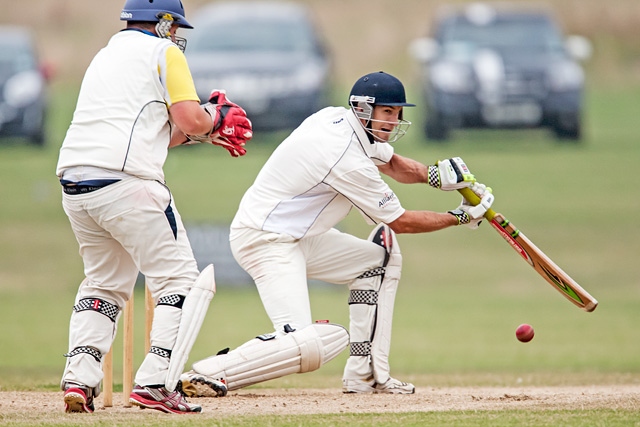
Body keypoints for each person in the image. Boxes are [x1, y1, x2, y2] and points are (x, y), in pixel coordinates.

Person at [179, 71, 494, 396]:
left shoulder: (338, 120)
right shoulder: (344, 156)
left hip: (301, 237)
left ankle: (366, 374)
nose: (393, 120)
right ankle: (209, 373)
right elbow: (400, 222)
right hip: (265, 239)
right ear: (362, 109)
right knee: (303, 342)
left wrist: (434, 175)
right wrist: (457, 217)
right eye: (387, 112)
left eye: (398, 112)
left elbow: (392, 164)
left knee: (379, 261)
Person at [56, 0, 252, 414]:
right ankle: (156, 382)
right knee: (178, 278)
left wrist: (202, 131)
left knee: (103, 283)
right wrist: (215, 117)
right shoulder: (165, 52)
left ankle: (79, 377)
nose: (178, 36)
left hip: (77, 183)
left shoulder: (105, 55)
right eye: (175, 27)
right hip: (127, 185)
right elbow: (192, 120)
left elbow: (159, 132)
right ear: (163, 24)